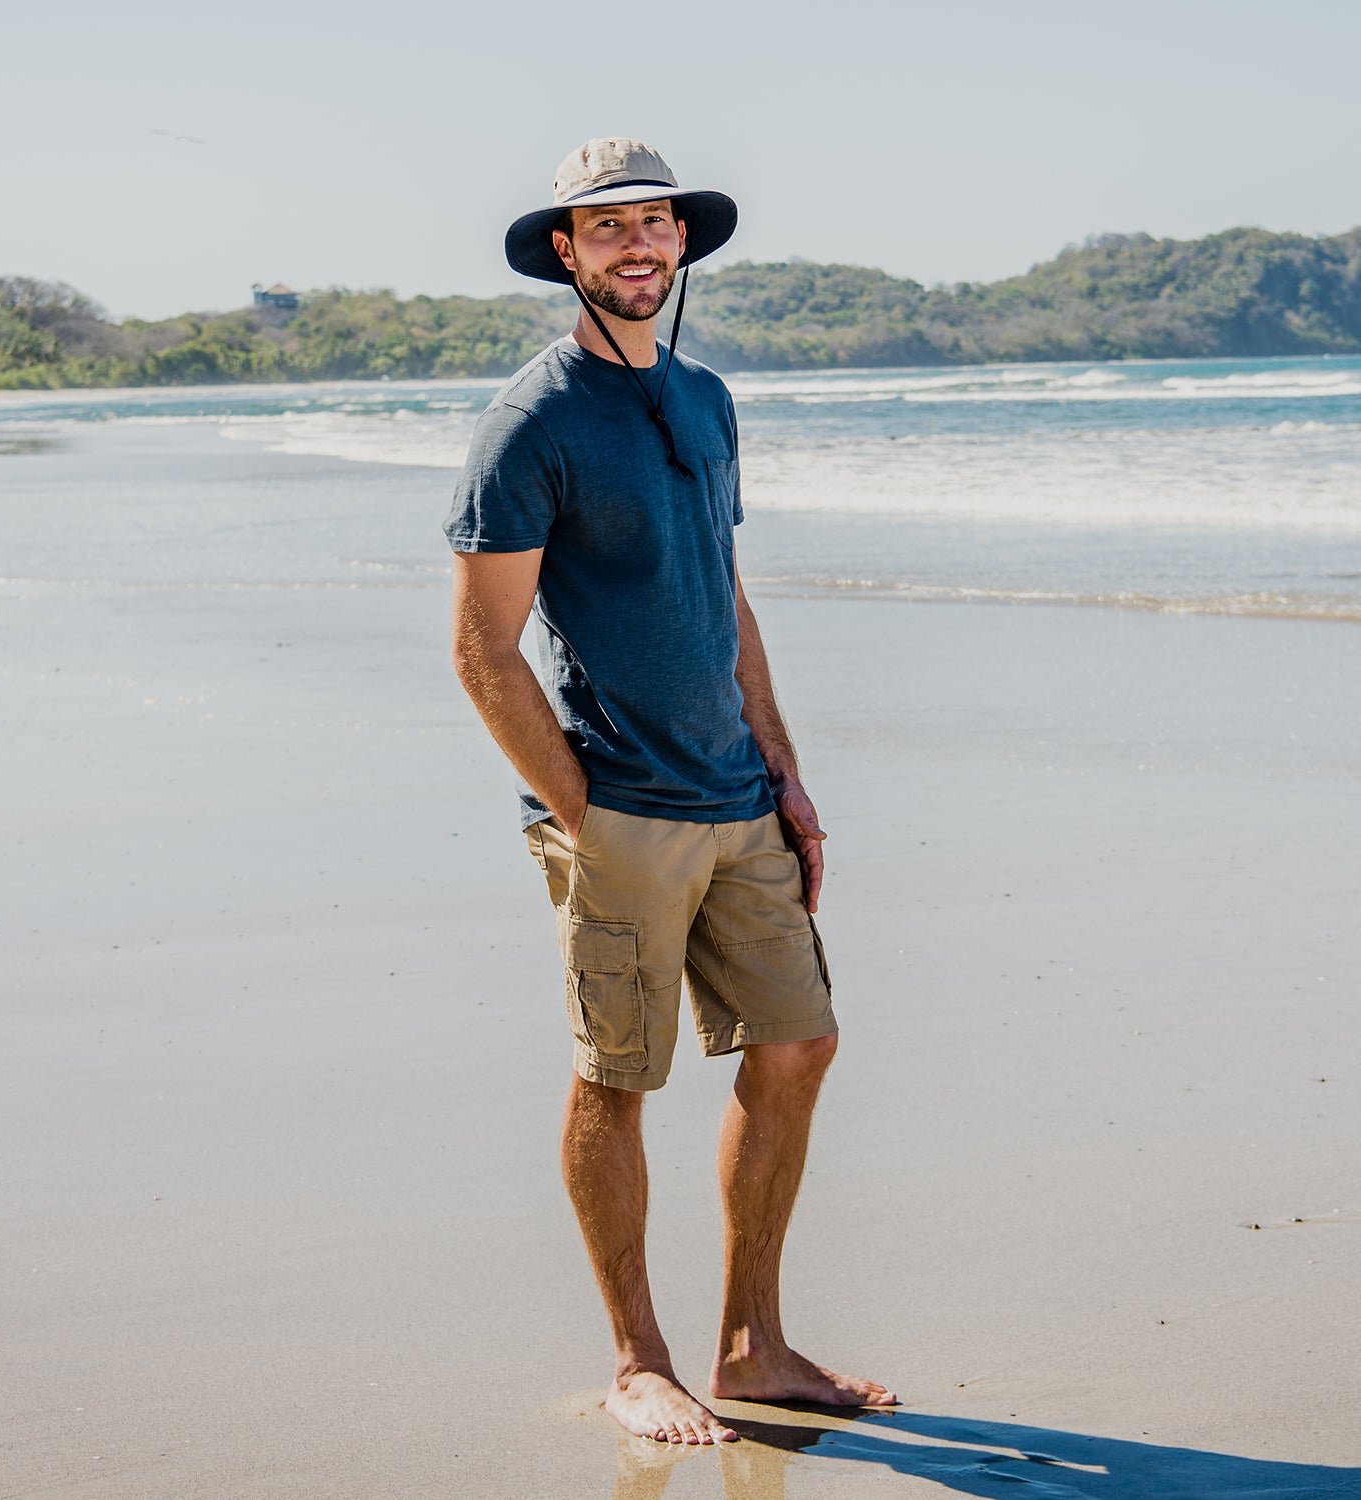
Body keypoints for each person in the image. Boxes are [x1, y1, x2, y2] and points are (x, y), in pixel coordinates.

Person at [444, 138, 895, 1448]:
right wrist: (586, 817)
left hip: (736, 797)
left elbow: (725, 595)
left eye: (656, 223)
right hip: (618, 806)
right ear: (567, 254)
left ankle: (751, 1346)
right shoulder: (531, 422)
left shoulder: (705, 399)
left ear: (682, 245)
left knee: (799, 1042)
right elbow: (483, 649)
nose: (637, 245)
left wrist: (787, 773)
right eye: (609, 228)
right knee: (618, 1076)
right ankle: (639, 1359)